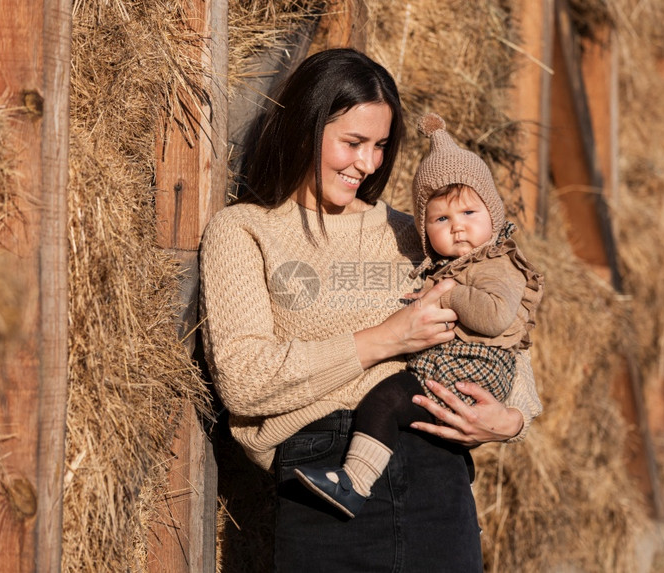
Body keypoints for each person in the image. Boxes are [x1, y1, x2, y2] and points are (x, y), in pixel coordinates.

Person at [200, 48, 542, 572]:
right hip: (322, 482)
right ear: (306, 130)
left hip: (437, 475)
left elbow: (504, 325)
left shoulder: (415, 234)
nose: (369, 163)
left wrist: (511, 418)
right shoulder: (246, 230)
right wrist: (388, 338)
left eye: (381, 146)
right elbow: (244, 380)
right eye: (353, 143)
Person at [293, 112, 545, 519]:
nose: (457, 229)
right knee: (391, 402)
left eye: (469, 215)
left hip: (467, 373)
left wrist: (446, 295)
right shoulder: (442, 261)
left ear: (494, 215)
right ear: (424, 228)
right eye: (441, 219)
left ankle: (354, 482)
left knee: (387, 400)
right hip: (450, 371)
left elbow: (498, 320)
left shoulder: (496, 265)